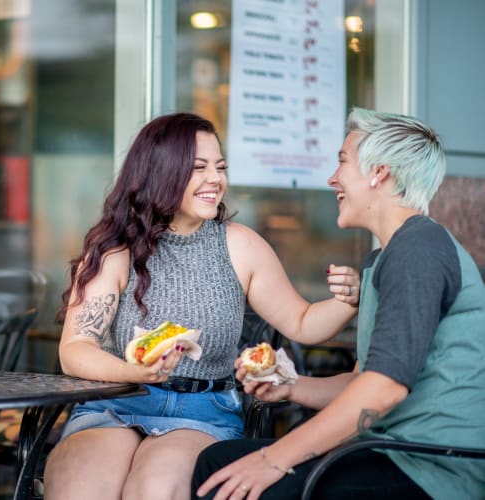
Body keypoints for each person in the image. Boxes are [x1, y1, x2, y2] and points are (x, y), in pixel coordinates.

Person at [42, 112, 361, 500]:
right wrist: (135, 371)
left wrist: (349, 300)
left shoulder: (240, 245)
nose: (216, 179)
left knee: (154, 490)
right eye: (199, 168)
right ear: (162, 172)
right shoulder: (115, 250)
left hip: (202, 411)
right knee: (83, 490)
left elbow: (304, 322)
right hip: (114, 402)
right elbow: (76, 350)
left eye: (220, 167)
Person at [192, 108, 485, 500]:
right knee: (219, 463)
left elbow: (383, 390)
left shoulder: (419, 249)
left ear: (378, 173)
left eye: (342, 162)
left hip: (434, 469)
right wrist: (292, 387)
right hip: (391, 452)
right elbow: (362, 381)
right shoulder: (386, 256)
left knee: (234, 480)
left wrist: (274, 459)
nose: (332, 179)